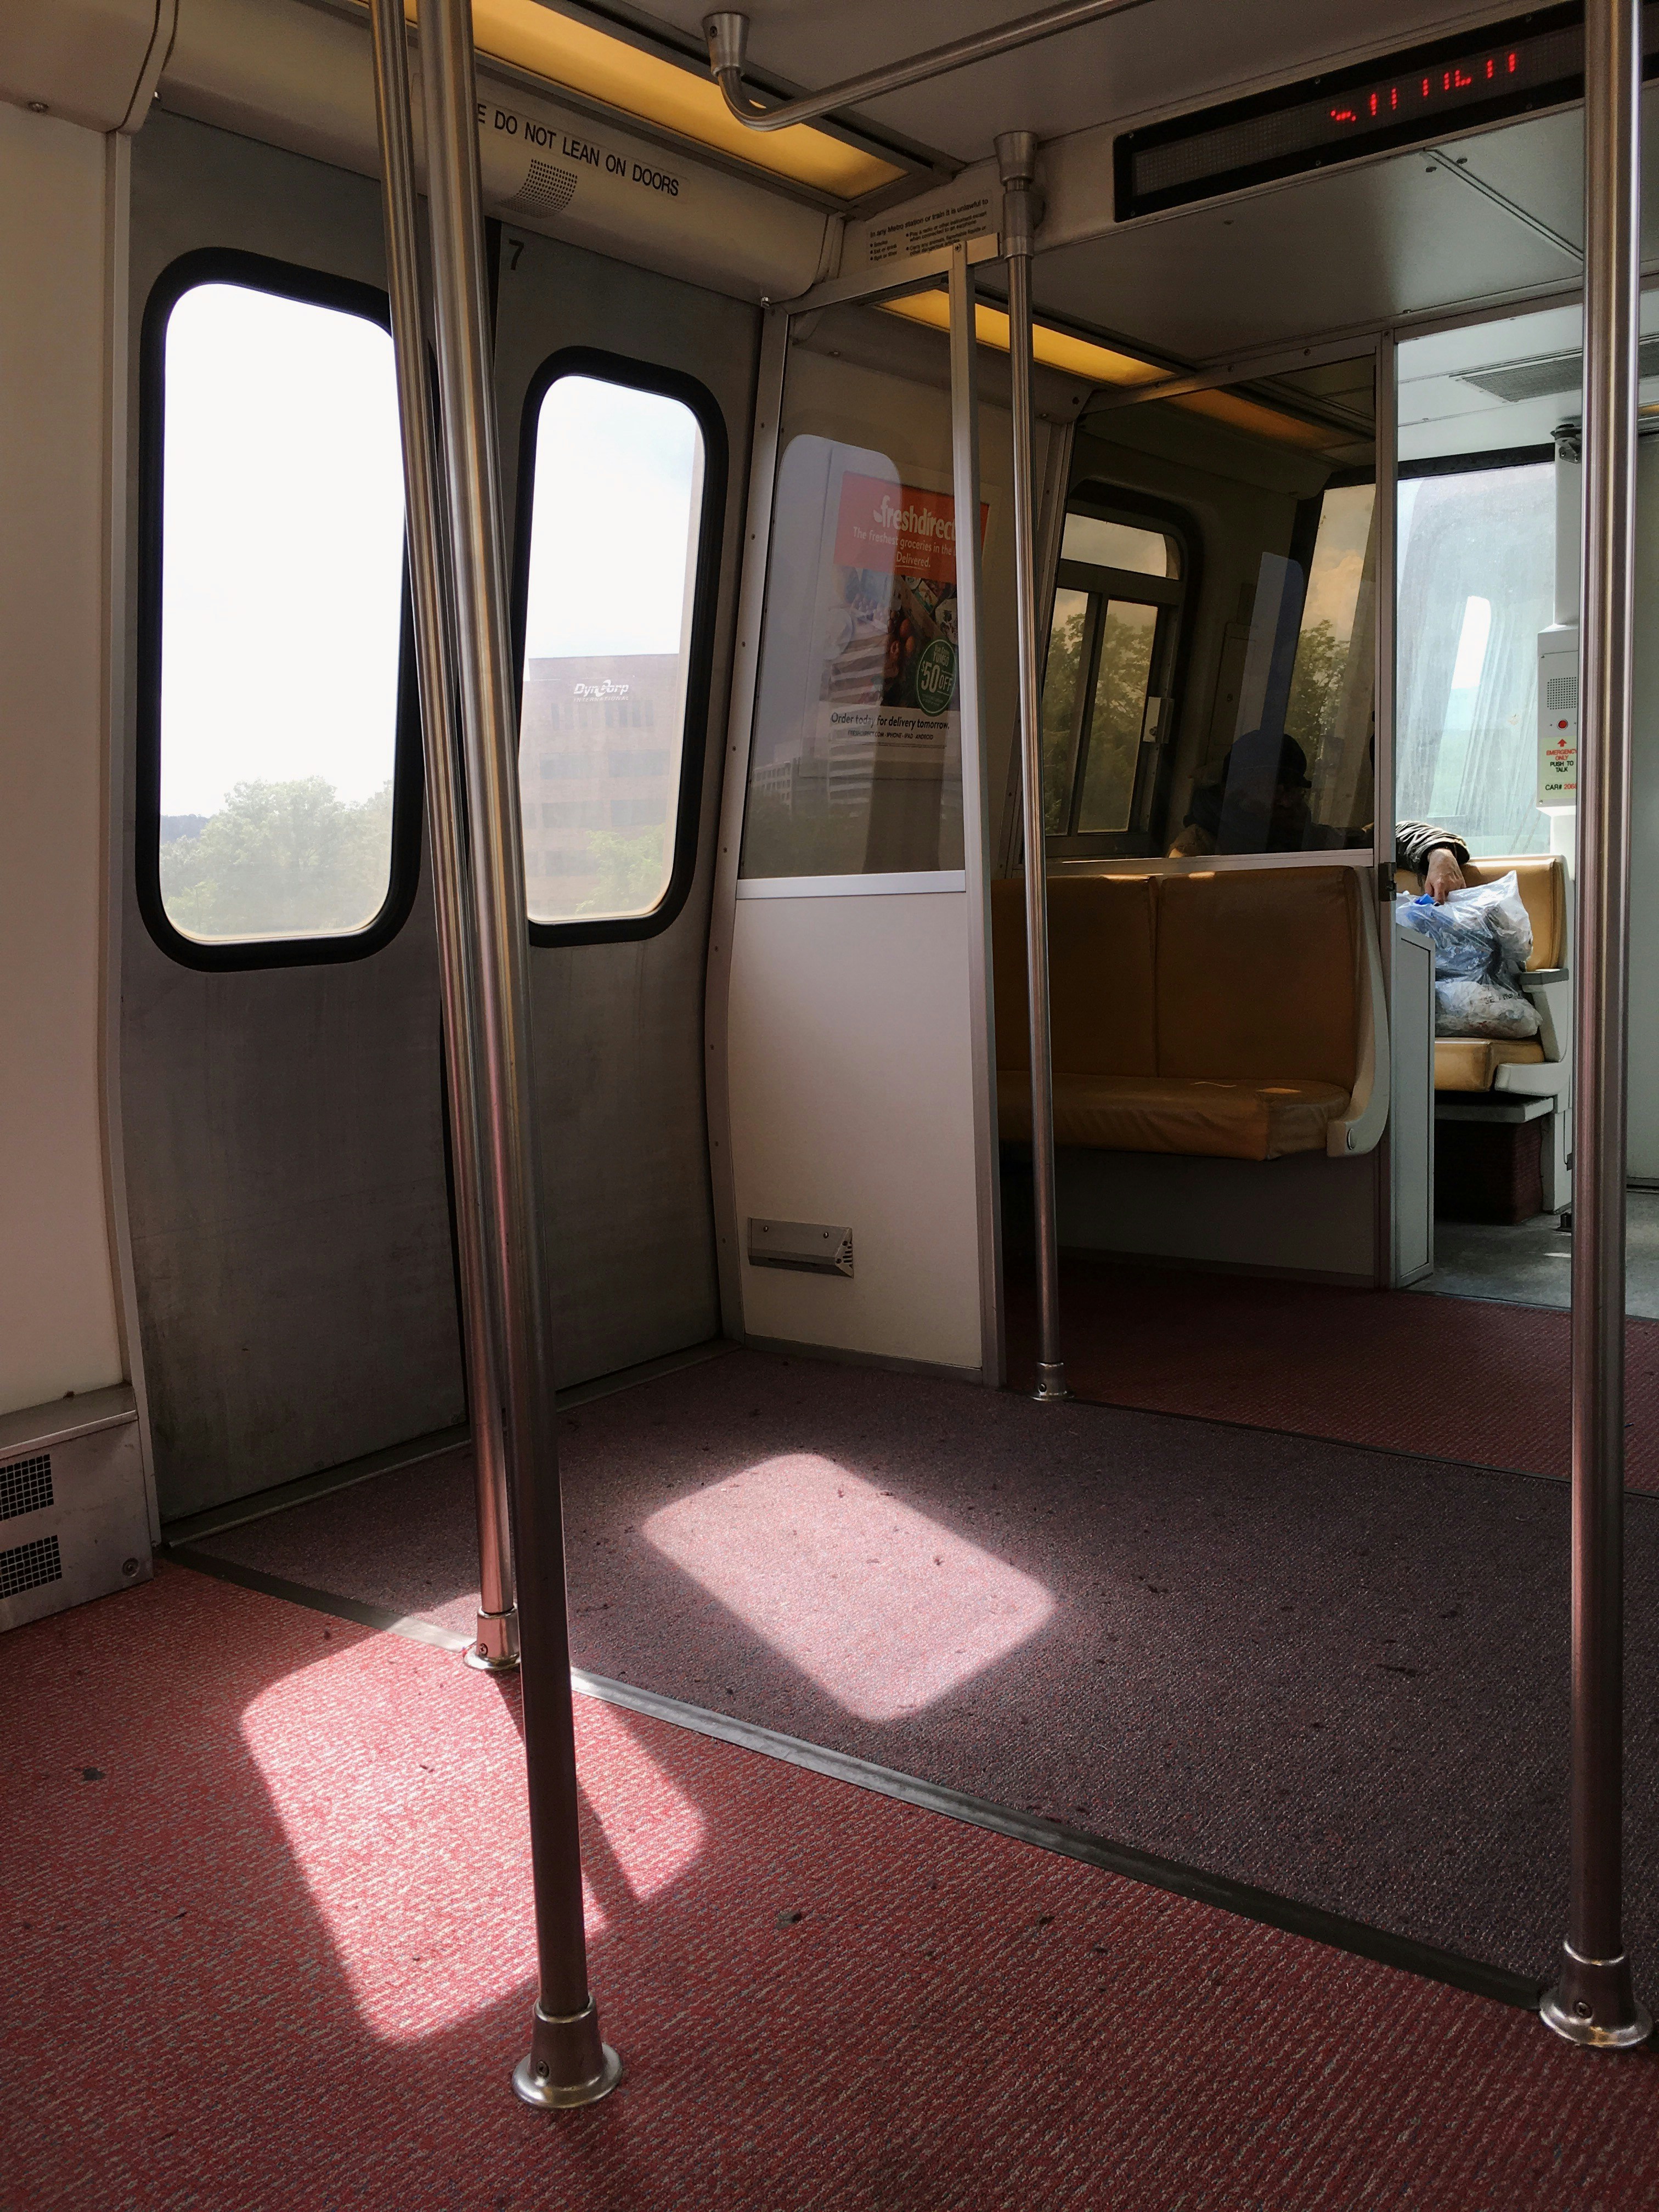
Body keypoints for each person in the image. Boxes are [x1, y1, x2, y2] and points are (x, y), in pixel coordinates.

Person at [1169, 727, 1469, 902]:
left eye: (1293, 788)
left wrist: (1439, 853)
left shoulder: (1307, 838)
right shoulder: (1196, 850)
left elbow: (1382, 837)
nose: (1288, 800)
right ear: (1235, 790)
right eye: (1274, 788)